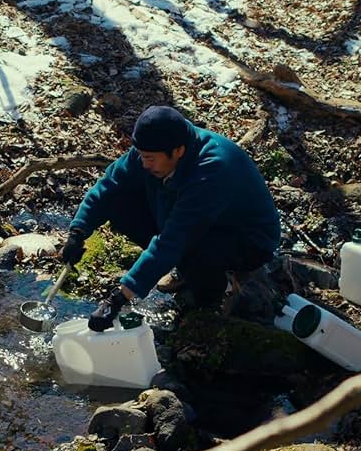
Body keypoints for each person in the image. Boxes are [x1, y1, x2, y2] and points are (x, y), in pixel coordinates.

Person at [61, 105, 281, 331]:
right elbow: (108, 187)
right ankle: (185, 270)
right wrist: (77, 232)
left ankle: (220, 291)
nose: (144, 164)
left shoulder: (212, 169)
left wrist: (119, 297)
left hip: (247, 239)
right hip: (188, 221)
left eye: (151, 159)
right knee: (119, 203)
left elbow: (175, 238)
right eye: (141, 156)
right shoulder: (151, 151)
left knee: (192, 254)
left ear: (178, 151)